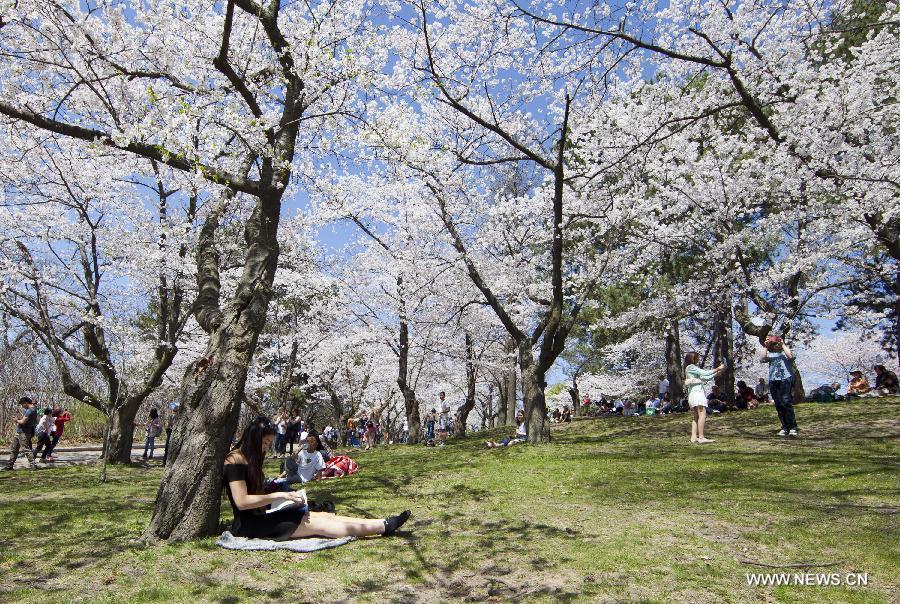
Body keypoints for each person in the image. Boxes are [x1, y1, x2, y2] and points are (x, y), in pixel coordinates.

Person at [223, 417, 411, 540]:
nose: (265, 448)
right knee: (317, 524)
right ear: (253, 439)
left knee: (323, 515)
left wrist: (283, 498)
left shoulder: (251, 458)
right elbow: (242, 502)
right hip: (250, 525)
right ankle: (382, 528)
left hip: (264, 514)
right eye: (264, 443)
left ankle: (380, 522)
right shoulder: (234, 460)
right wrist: (279, 497)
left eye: (268, 444)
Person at [684, 352, 726, 444]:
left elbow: (706, 377)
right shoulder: (691, 367)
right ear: (693, 359)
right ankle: (701, 437)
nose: (699, 359)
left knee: (696, 416)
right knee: (702, 415)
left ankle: (694, 437)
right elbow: (705, 373)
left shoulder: (691, 369)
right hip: (697, 394)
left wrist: (719, 372)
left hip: (693, 394)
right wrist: (718, 368)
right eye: (697, 358)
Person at [760, 335, 798, 437]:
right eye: (773, 344)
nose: (775, 345)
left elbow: (791, 357)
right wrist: (765, 346)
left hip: (785, 379)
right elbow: (762, 359)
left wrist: (783, 344)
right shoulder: (771, 354)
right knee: (778, 404)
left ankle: (793, 427)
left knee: (786, 402)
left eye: (775, 343)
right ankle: (784, 427)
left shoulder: (784, 353)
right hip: (773, 380)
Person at [3, 397, 39, 471]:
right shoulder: (34, 409)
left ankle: (33, 464)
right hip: (20, 431)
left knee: (26, 448)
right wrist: (19, 419)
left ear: (26, 402)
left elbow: (23, 422)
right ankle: (10, 465)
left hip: (24, 432)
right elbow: (25, 420)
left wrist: (16, 420)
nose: (22, 406)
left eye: (22, 404)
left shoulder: (30, 410)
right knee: (14, 449)